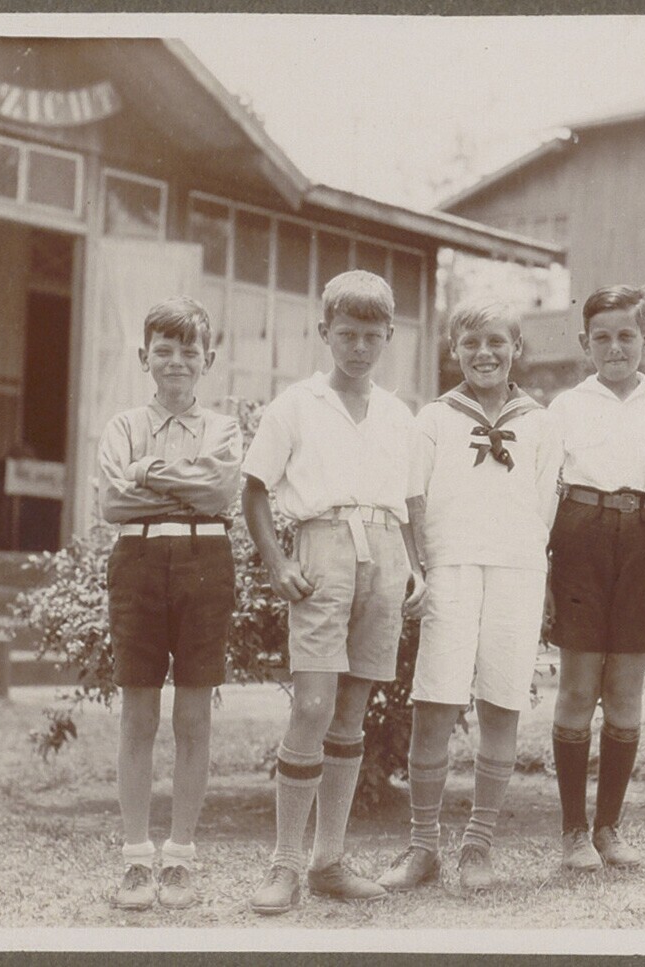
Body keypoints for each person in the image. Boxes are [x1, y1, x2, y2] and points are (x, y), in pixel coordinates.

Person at [242, 270, 426, 915]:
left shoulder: (398, 414)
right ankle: (285, 863)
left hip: (386, 551)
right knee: (313, 705)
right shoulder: (297, 404)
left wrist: (418, 568)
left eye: (372, 336)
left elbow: (411, 500)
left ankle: (328, 861)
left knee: (351, 711)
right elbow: (254, 489)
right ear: (325, 332)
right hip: (322, 545)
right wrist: (276, 561)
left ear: (389, 336)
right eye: (347, 335)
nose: (359, 348)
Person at [377, 301, 563, 894]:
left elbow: (546, 510)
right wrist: (418, 571)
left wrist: (538, 575)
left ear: (516, 348)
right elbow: (411, 501)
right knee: (436, 701)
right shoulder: (433, 419)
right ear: (453, 350)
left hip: (517, 572)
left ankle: (478, 845)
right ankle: (423, 846)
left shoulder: (540, 423)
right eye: (471, 344)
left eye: (496, 342)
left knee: (501, 702)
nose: (484, 354)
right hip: (450, 570)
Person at [546, 285, 645, 871]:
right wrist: (544, 576)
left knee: (624, 688)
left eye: (626, 336)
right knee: (577, 686)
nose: (615, 348)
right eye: (602, 337)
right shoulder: (566, 407)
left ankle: (609, 828)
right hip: (580, 536)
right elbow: (544, 494)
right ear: (584, 342)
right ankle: (573, 832)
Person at [97, 295, 243, 911]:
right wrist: (186, 484)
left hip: (206, 561)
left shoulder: (223, 429)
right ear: (144, 357)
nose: (176, 361)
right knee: (138, 714)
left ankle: (180, 855)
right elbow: (113, 501)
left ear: (207, 359)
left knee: (193, 716)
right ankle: (136, 857)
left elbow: (220, 493)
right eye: (164, 350)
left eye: (189, 350)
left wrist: (146, 473)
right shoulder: (122, 426)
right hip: (137, 562)